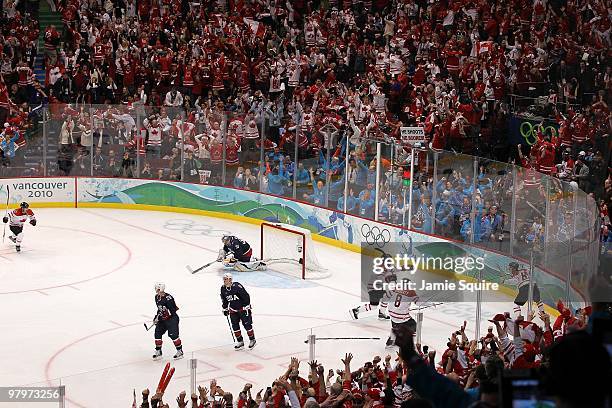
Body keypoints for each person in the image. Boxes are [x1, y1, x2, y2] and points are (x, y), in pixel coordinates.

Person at [220, 273, 256, 350]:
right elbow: (224, 299)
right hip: (233, 309)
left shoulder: (237, 286)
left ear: (231, 280)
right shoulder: (223, 288)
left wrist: (247, 305)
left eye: (228, 279)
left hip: (243, 309)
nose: (226, 281)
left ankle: (252, 340)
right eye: (225, 279)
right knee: (235, 326)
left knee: (247, 325)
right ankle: (240, 342)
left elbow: (246, 295)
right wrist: (225, 308)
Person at [152, 282, 183, 361]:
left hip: (172, 319)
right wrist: (156, 318)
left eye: (158, 289)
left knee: (173, 335)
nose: (156, 290)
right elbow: (160, 309)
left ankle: (180, 351)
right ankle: (158, 351)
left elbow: (173, 310)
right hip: (162, 319)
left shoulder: (169, 298)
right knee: (157, 333)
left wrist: (167, 314)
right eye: (156, 289)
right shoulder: (156, 297)